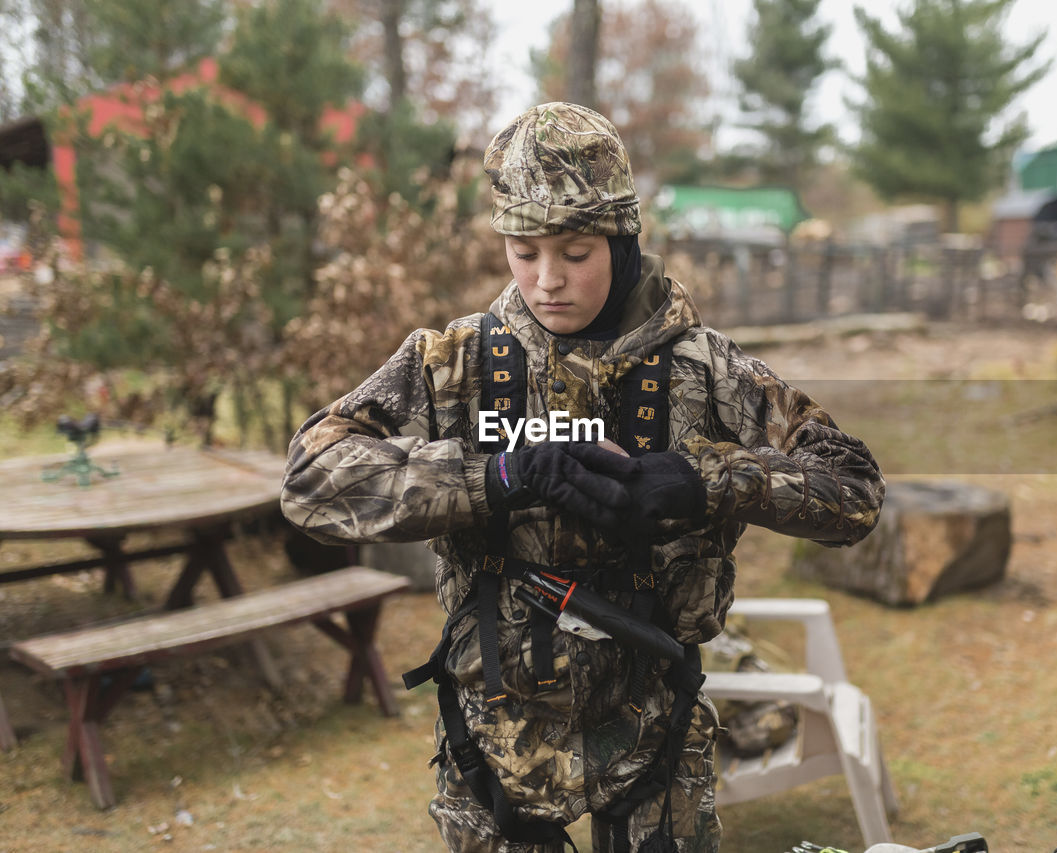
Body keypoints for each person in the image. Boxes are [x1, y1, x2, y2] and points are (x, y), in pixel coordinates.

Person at [280, 102, 885, 853]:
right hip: (494, 742)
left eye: (575, 250)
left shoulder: (706, 368)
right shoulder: (456, 363)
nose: (546, 280)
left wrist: (706, 482)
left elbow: (854, 491)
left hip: (657, 735)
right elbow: (311, 477)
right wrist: (493, 477)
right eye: (524, 250)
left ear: (622, 239)